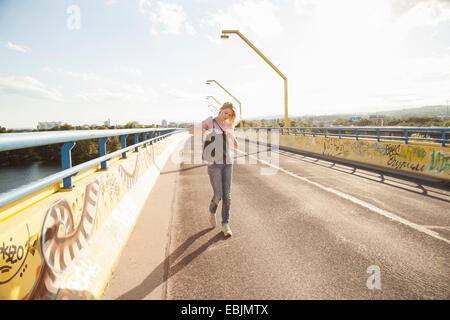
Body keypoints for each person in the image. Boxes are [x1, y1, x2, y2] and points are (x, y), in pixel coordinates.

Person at [189, 102, 239, 236]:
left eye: (230, 115)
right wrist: (205, 129)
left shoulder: (229, 125)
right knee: (218, 195)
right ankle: (212, 211)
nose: (227, 116)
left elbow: (235, 145)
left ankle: (225, 224)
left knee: (227, 196)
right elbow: (191, 131)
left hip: (228, 162)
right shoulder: (210, 121)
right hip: (214, 163)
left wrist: (232, 137)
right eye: (225, 113)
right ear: (220, 110)